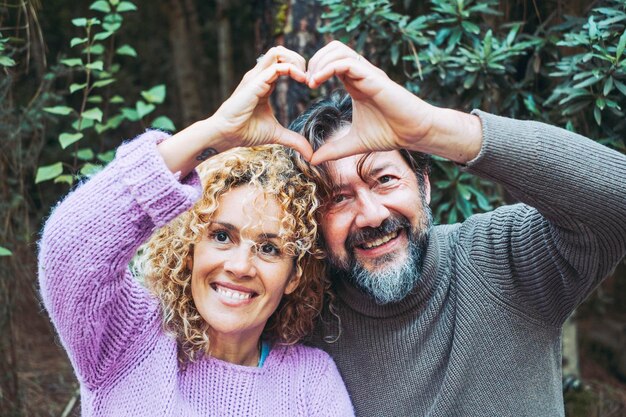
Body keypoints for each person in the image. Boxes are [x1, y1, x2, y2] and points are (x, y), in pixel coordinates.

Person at [289, 41, 626, 416]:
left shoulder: (503, 258)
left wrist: (433, 128)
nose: (371, 214)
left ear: (424, 184)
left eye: (384, 179)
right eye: (337, 199)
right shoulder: (299, 320)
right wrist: (216, 132)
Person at [38, 46, 354, 417]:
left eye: (269, 248)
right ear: (190, 247)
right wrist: (215, 132)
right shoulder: (129, 341)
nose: (240, 266)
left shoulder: (309, 381)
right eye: (222, 236)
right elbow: (70, 248)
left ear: (294, 276)